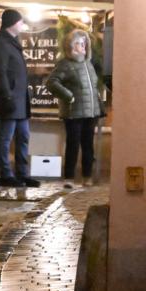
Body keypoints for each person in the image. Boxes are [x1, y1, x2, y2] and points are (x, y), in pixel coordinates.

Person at [0, 9, 41, 188]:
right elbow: (0, 72)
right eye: (20, 22)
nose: (22, 25)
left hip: (20, 101)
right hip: (9, 100)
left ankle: (22, 174)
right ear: (12, 23)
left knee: (23, 136)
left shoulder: (12, 43)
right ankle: (6, 174)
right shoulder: (0, 44)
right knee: (5, 138)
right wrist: (7, 95)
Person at [46, 29, 104, 188]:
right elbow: (51, 82)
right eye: (78, 43)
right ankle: (69, 178)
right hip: (73, 113)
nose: (82, 46)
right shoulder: (65, 64)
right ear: (70, 46)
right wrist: (69, 96)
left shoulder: (89, 64)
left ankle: (87, 177)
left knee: (88, 146)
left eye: (84, 43)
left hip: (91, 113)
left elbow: (92, 86)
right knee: (73, 144)